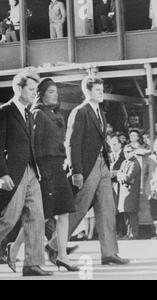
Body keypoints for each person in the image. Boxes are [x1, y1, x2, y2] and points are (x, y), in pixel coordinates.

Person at [0, 70, 52, 278]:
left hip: (31, 172)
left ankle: (32, 264)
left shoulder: (29, 113)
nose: (34, 93)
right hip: (13, 173)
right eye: (31, 89)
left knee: (37, 217)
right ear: (18, 88)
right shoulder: (4, 111)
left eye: (35, 89)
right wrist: (2, 174)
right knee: (9, 218)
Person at [45, 76, 129, 266]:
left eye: (102, 89)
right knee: (79, 209)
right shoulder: (80, 112)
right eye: (98, 90)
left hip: (103, 165)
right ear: (87, 91)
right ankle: (53, 246)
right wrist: (76, 171)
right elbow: (72, 144)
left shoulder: (100, 112)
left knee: (107, 209)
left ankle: (109, 253)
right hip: (86, 167)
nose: (101, 93)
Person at [31, 79, 78, 272]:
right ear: (41, 94)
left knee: (64, 211)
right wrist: (40, 171)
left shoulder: (55, 114)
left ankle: (62, 256)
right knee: (40, 215)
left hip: (59, 167)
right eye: (51, 92)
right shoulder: (38, 114)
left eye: (56, 91)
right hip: (46, 168)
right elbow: (35, 145)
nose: (55, 94)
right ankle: (12, 248)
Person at [117, 145, 141, 240]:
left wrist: (121, 176)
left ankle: (133, 234)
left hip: (131, 192)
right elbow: (119, 175)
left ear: (133, 152)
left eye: (129, 151)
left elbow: (128, 177)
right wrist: (122, 176)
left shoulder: (135, 163)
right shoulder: (124, 162)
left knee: (131, 214)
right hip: (124, 191)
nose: (126, 154)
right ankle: (128, 233)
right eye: (125, 152)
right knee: (125, 213)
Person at [143, 138, 157, 239]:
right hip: (152, 187)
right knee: (154, 211)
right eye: (156, 145)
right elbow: (146, 174)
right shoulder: (150, 158)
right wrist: (146, 187)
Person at [109, 136, 126, 237]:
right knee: (112, 208)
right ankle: (115, 231)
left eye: (115, 144)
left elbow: (125, 169)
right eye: (111, 144)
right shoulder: (109, 156)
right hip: (111, 184)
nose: (113, 146)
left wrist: (116, 173)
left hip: (120, 184)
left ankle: (122, 231)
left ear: (120, 144)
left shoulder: (124, 155)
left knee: (120, 208)